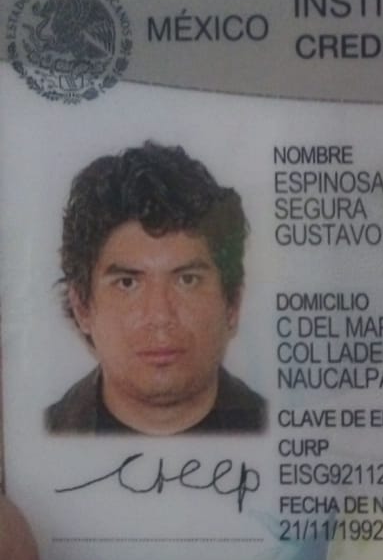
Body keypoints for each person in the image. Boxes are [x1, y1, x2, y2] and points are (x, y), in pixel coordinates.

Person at [44, 142, 266, 434]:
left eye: (187, 280)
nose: (160, 315)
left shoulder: (281, 433)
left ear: (232, 304)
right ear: (82, 307)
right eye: (128, 283)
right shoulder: (34, 442)